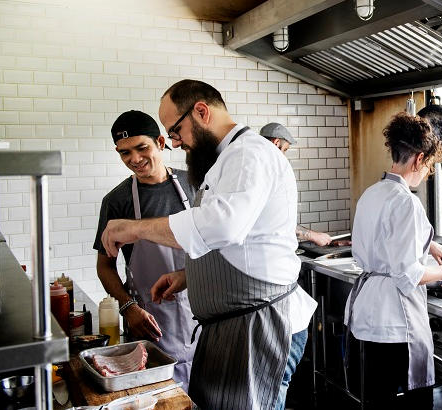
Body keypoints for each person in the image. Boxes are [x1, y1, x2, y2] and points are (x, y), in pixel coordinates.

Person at [100, 80, 316, 410]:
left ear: (201, 112)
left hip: (259, 324)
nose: (174, 142)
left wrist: (137, 229)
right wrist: (189, 275)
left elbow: (223, 226)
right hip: (235, 325)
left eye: (175, 130)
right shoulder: (226, 160)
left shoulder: (249, 154)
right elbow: (239, 242)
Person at [343, 112, 442, 409]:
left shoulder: (372, 193)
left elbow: (383, 241)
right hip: (395, 323)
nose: (426, 174)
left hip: (368, 316)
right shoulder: (407, 202)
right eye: (430, 167)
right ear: (419, 159)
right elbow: (408, 274)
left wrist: (427, 243)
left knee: (376, 399)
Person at [93, 110, 197, 387]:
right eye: (124, 153)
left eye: (142, 148)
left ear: (161, 143)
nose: (134, 160)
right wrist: (128, 308)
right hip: (151, 319)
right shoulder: (117, 201)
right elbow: (105, 266)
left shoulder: (196, 183)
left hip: (203, 311)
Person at [260, 122, 339, 247]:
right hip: (268, 252)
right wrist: (313, 235)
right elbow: (276, 222)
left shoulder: (258, 168)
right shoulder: (267, 173)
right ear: (276, 143)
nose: (284, 156)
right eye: (284, 150)